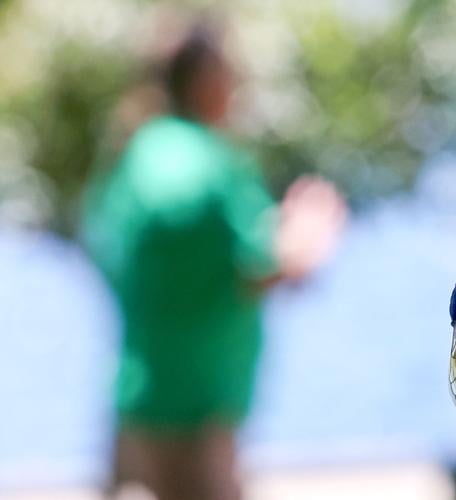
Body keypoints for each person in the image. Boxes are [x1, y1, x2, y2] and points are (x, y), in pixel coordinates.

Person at [81, 25, 345, 500]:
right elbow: (268, 263)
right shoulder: (210, 164)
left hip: (135, 403)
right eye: (230, 72)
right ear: (206, 80)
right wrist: (315, 222)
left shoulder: (135, 156)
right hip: (198, 416)